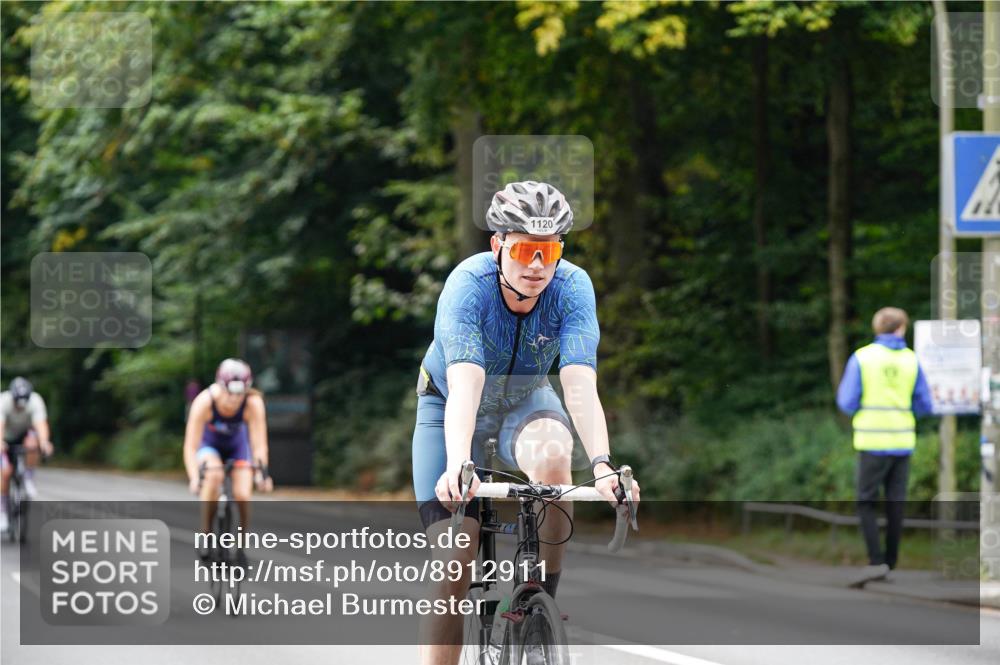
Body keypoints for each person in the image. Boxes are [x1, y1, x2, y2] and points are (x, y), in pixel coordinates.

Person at [411, 181, 640, 664]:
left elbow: (578, 382)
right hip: (451, 404)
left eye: (549, 249)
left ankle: (541, 604)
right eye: (524, 250)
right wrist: (457, 465)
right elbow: (466, 385)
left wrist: (602, 464)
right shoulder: (467, 286)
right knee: (454, 564)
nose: (537, 265)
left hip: (525, 398)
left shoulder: (572, 287)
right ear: (498, 245)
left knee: (557, 459)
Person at [836, 307, 933, 585]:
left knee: (866, 502)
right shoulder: (911, 360)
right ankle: (890, 563)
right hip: (902, 441)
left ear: (878, 328)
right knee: (896, 503)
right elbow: (924, 403)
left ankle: (875, 561)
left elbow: (846, 401)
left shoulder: (863, 358)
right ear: (901, 328)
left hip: (872, 442)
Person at [183, 359, 273, 554]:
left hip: (237, 446)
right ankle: (206, 534)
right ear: (220, 386)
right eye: (230, 392)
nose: (234, 399)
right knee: (213, 476)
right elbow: (190, 446)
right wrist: (194, 478)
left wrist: (262, 474)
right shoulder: (204, 402)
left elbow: (259, 444)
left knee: (242, 494)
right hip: (209, 445)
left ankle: (241, 546)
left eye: (240, 393)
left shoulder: (253, 403)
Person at [1, 377, 54, 532]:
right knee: (4, 473)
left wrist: (44, 442)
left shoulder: (36, 401)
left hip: (24, 435)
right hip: (4, 437)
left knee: (33, 443)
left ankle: (28, 477)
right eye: (18, 403)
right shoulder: (3, 401)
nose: (21, 406)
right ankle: (2, 510)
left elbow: (41, 425)